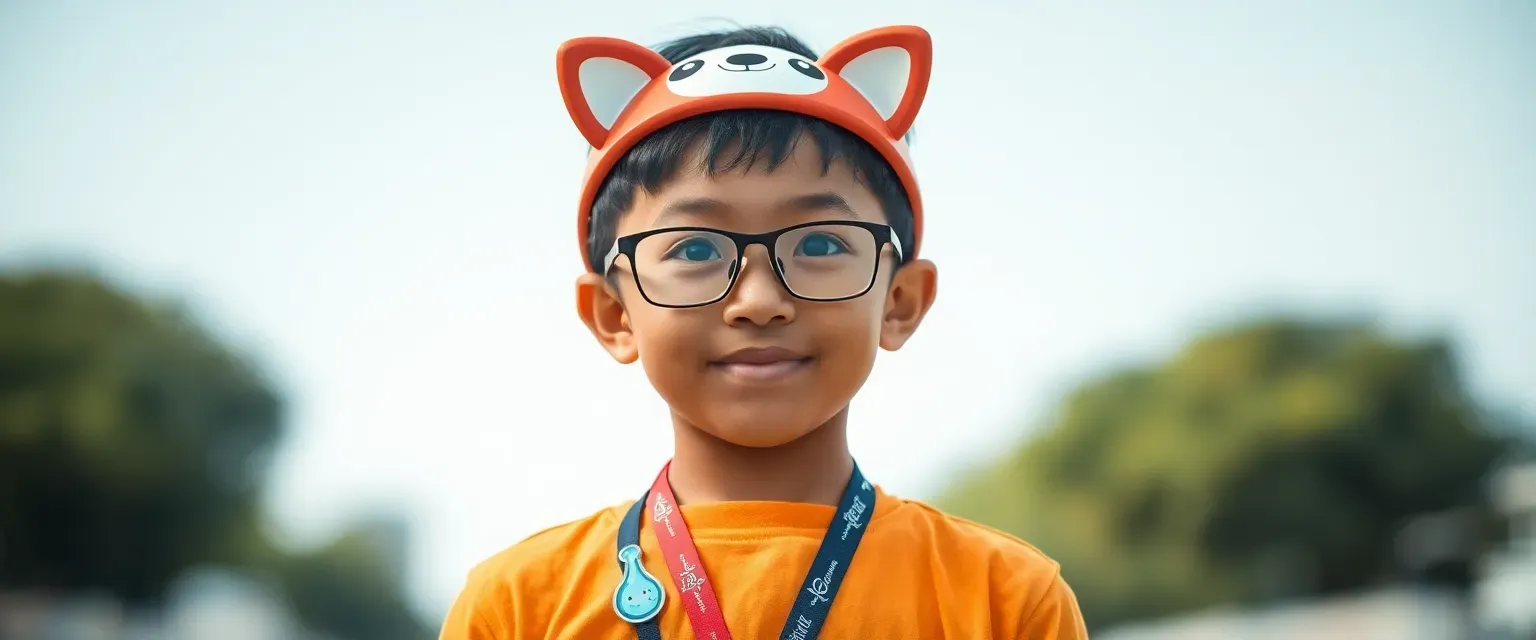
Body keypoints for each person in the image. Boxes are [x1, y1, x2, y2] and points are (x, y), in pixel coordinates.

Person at [439, 24, 1088, 640]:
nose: (758, 300)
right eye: (694, 250)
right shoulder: (517, 605)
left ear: (899, 301)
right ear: (614, 315)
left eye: (820, 242)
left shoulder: (1006, 598)